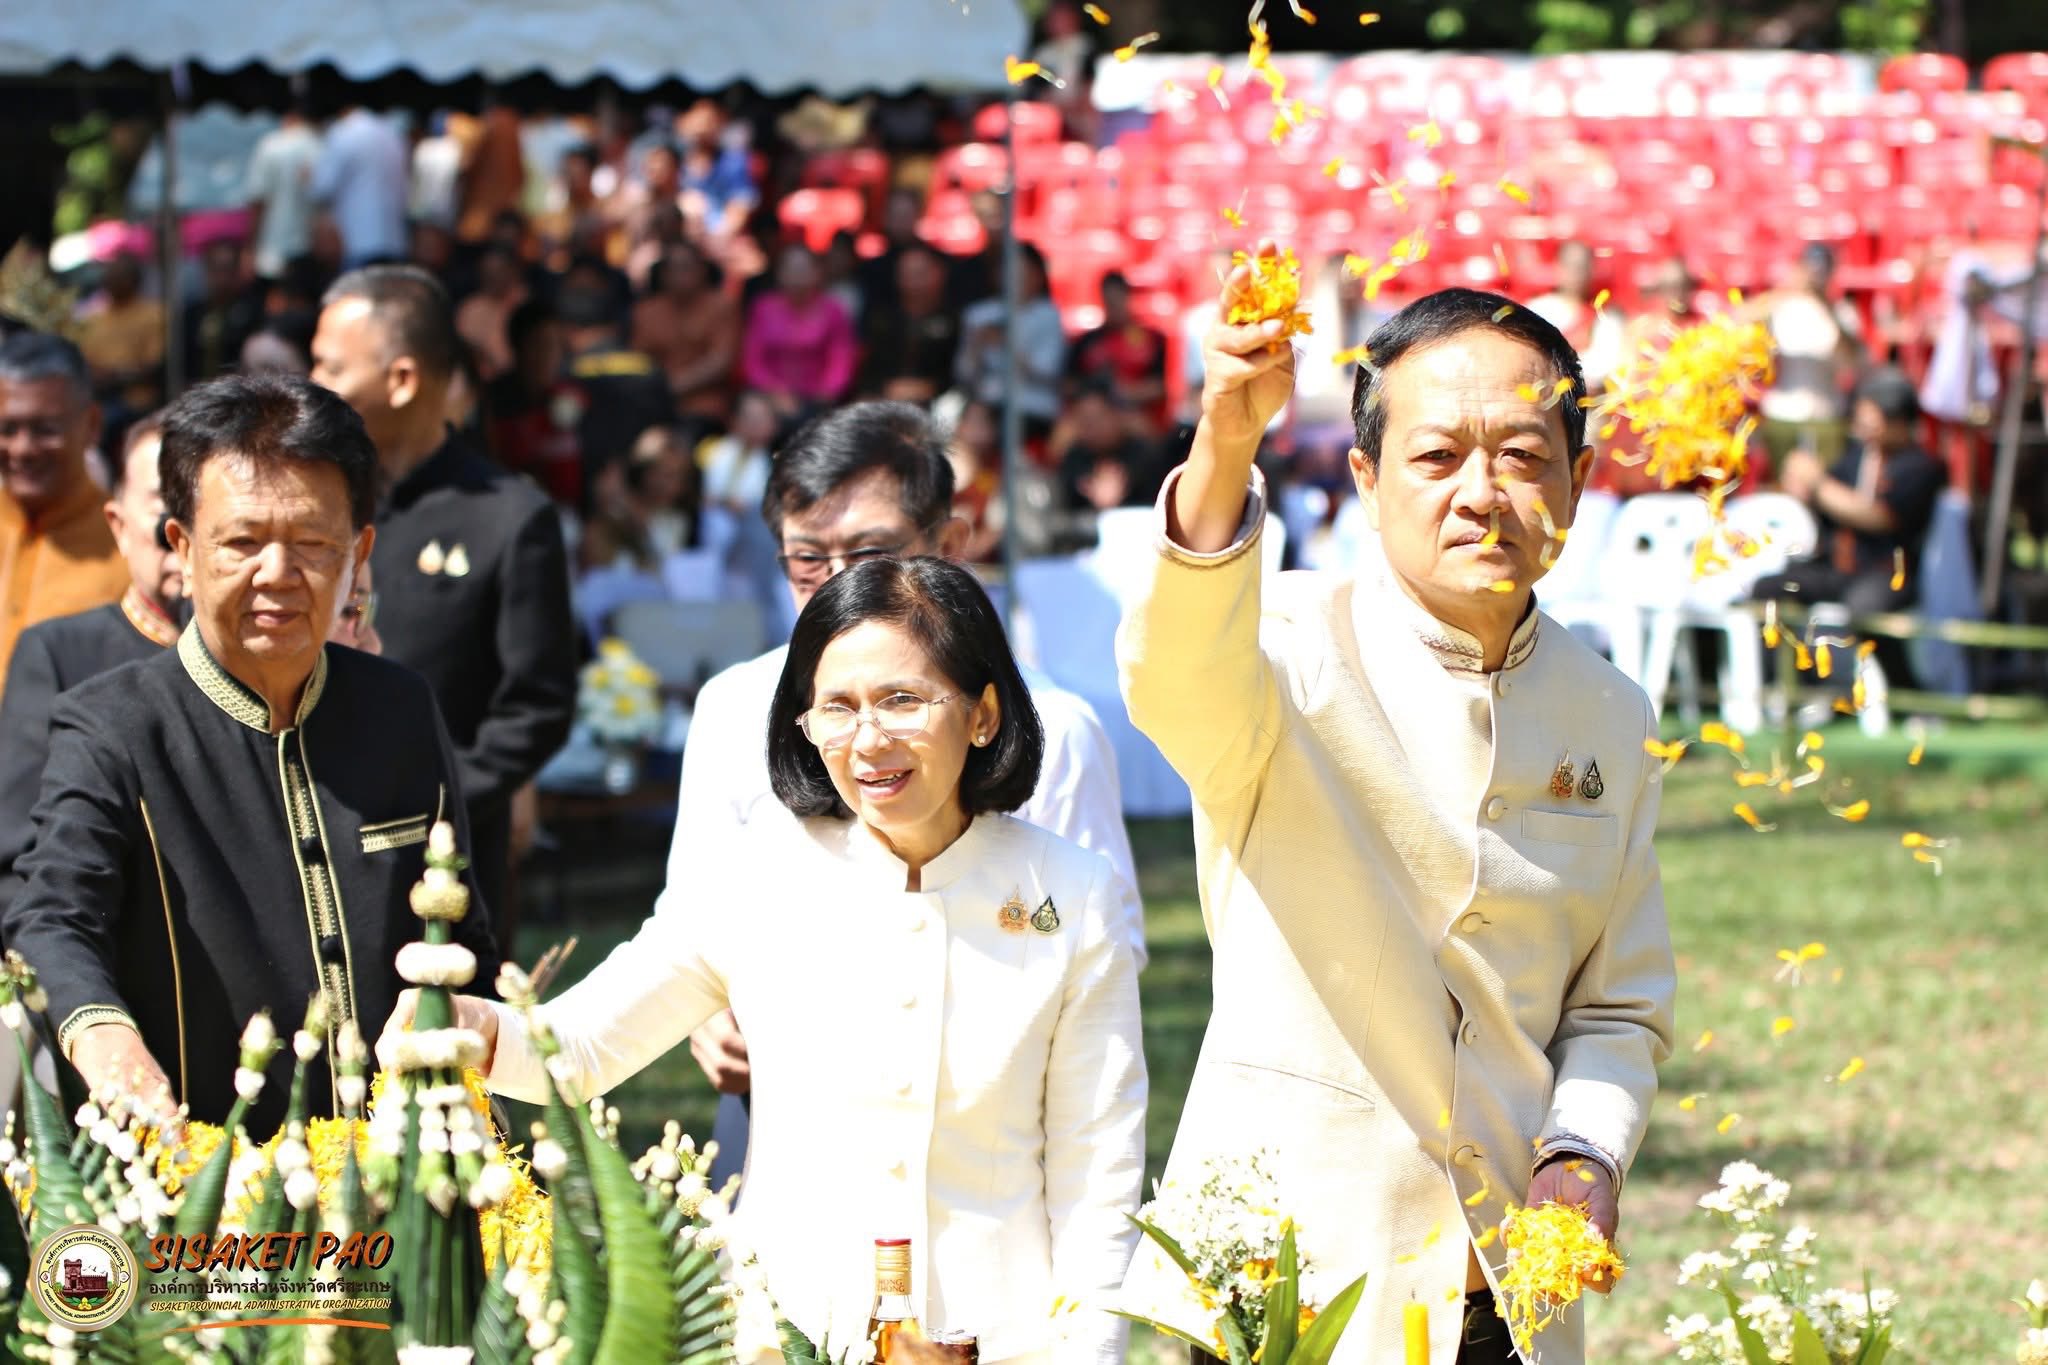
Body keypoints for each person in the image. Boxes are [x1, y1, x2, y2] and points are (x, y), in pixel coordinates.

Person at [1117, 261, 1676, 1364]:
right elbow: (1171, 672)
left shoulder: (1610, 713)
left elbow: (1616, 1008)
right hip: (1289, 1276)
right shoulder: (1275, 645)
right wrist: (1223, 447)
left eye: (1522, 455)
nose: (1480, 493)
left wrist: (1581, 1154)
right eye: (1435, 457)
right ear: (1365, 479)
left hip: (1500, 1292)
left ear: (1575, 480)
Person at [384, 556, 1145, 1363]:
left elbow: (1098, 1168)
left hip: (1003, 1340)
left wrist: (1087, 1350)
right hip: (782, 1333)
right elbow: (581, 1048)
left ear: (983, 713)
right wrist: (473, 1027)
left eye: (901, 700)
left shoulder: (1072, 890)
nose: (868, 738)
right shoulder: (757, 871)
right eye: (836, 708)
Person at [3, 373, 501, 1135]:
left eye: (311, 544)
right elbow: (55, 915)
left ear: (358, 550)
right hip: (209, 1178)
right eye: (242, 542)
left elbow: (461, 928)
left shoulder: (400, 706)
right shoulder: (114, 726)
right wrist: (105, 1037)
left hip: (404, 1174)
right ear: (182, 545)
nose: (277, 574)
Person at [675, 402, 1142, 1180]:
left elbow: (1103, 941)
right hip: (781, 1110)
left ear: (950, 545)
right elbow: (690, 905)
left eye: (869, 552)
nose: (836, 585)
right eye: (806, 561)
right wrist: (708, 1011)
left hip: (982, 1118)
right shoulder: (731, 709)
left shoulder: (1053, 727)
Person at [313, 265, 578, 929]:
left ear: (401, 380)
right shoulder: (310, 507)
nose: (314, 387)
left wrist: (438, 797)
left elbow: (538, 704)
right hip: (305, 834)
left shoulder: (507, 518)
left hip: (442, 867)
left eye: (331, 368)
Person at [0, 415, 182, 930]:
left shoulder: (266, 664)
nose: (184, 534)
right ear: (119, 526)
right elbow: (17, 856)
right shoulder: (60, 652)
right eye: (166, 505)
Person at [1752, 367, 1945, 684]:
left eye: (1875, 415)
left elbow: (1879, 516)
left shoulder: (1920, 466)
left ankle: (1903, 688)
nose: (1865, 422)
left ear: (1899, 422)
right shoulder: (1855, 457)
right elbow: (1828, 503)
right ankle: (1790, 684)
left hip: (1886, 573)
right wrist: (1801, 489)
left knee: (1866, 607)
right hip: (1837, 568)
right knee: (1771, 588)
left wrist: (1817, 484)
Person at [0, 332, 127, 702]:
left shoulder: (128, 546)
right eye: (7, 429)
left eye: (45, 430)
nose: (23, 449)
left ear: (91, 426)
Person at [1750, 243, 1864, 469]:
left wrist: (1825, 303)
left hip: (1826, 414)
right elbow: (1741, 318)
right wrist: (1787, 290)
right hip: (1783, 413)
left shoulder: (1843, 312)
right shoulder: (1781, 308)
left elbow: (1852, 359)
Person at [956, 244, 1066, 445]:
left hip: (1032, 406)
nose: (1016, 279)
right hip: (987, 403)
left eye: (1024, 272)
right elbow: (965, 374)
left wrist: (1006, 344)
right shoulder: (979, 315)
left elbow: (1047, 373)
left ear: (1039, 276)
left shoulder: (1049, 316)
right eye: (1010, 271)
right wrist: (976, 347)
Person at [630, 240, 740, 428]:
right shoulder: (646, 312)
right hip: (653, 402)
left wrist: (675, 386)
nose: (680, 275)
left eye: (687, 267)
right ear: (663, 274)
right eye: (673, 268)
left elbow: (720, 360)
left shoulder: (721, 306)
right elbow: (639, 360)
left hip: (705, 405)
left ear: (702, 270)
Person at [742, 245, 858, 418]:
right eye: (791, 269)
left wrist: (826, 391)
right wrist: (774, 393)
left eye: (803, 269)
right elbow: (753, 359)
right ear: (779, 273)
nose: (797, 275)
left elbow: (841, 358)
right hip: (770, 396)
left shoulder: (833, 310)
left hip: (819, 397)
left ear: (818, 272)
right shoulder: (764, 308)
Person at [857, 242, 961, 404]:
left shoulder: (955, 319)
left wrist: (927, 387)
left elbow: (960, 371)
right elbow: (868, 368)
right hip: (885, 400)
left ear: (940, 273)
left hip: (943, 402)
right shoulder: (881, 318)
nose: (913, 281)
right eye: (906, 273)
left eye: (920, 273)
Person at [1064, 272, 1168, 432]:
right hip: (1092, 413)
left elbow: (1160, 387)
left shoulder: (1152, 339)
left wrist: (1126, 392)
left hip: (1133, 413)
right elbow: (1068, 384)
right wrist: (1094, 389)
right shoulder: (1087, 342)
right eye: (1109, 301)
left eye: (1118, 299)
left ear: (1127, 298)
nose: (1114, 306)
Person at [312, 104, 410, 269]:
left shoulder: (343, 132)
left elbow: (322, 187)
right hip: (394, 241)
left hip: (356, 241)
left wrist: (309, 177)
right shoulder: (392, 133)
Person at [243, 99, 324, 284]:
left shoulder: (270, 145)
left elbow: (258, 202)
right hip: (309, 253)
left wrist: (249, 249)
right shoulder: (321, 146)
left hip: (271, 254)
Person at [1525, 240, 1626, 388]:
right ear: (1557, 267)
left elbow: (1606, 367)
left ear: (1592, 269)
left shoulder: (1606, 316)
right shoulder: (1538, 309)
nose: (1576, 273)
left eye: (1582, 266)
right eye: (1570, 265)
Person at [76, 253, 165, 416]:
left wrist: (115, 377)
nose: (111, 281)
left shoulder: (153, 314)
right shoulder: (96, 317)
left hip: (134, 401)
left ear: (134, 281)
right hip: (97, 397)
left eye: (118, 276)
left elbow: (154, 365)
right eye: (109, 276)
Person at [454, 244, 529, 382]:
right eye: (486, 272)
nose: (491, 277)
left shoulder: (527, 307)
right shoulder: (471, 308)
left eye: (498, 271)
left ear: (514, 271)